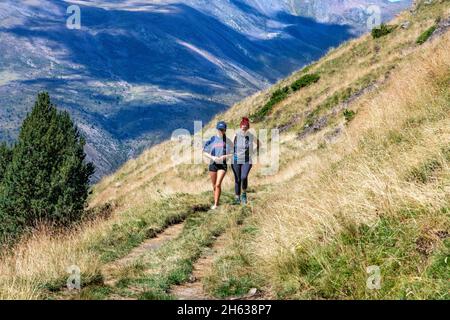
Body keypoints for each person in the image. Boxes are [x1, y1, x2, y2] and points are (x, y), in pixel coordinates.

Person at [203, 121, 233, 210]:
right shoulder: (212, 139)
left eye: (223, 129)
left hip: (222, 165)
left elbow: (232, 153)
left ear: (225, 130)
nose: (221, 131)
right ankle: (216, 200)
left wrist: (225, 156)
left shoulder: (227, 141)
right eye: (219, 129)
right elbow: (204, 152)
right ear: (217, 129)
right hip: (213, 164)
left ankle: (216, 204)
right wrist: (212, 157)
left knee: (218, 184)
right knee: (214, 186)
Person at [232, 117, 259, 205]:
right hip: (236, 160)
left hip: (247, 160)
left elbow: (259, 144)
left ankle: (243, 194)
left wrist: (253, 153)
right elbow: (231, 145)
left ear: (248, 127)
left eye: (246, 125)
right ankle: (237, 197)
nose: (244, 126)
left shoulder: (250, 136)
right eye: (243, 125)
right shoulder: (236, 134)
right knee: (237, 179)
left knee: (244, 177)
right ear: (240, 126)